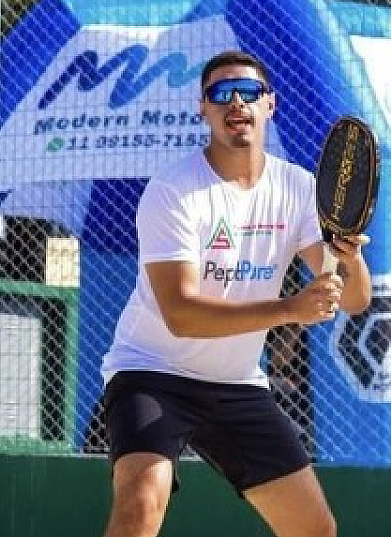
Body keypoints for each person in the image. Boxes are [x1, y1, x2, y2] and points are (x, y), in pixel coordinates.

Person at [98, 49, 371, 537]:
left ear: (270, 105)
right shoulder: (173, 190)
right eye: (220, 93)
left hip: (236, 382)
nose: (236, 102)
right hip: (152, 371)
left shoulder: (297, 188)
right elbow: (180, 314)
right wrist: (290, 309)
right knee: (141, 505)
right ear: (203, 108)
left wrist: (348, 257)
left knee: (314, 528)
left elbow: (352, 301)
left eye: (249, 92)